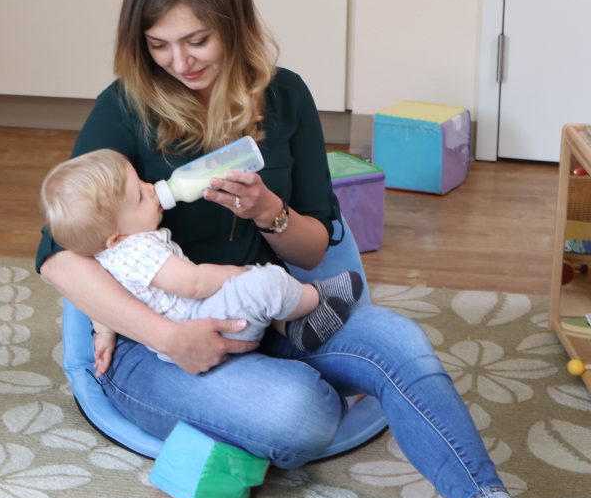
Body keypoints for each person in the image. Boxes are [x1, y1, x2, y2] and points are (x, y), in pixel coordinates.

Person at [34, 0, 575, 498]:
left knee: (398, 341)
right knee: (303, 413)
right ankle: (256, 399)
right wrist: (167, 336)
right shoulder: (124, 110)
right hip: (153, 350)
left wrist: (270, 212)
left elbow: (319, 243)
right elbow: (59, 257)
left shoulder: (285, 97)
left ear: (232, 22)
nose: (180, 60)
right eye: (159, 44)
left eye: (197, 39)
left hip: (265, 308)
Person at [40, 148, 363, 373]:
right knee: (267, 282)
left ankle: (288, 323)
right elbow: (192, 283)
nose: (151, 189)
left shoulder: (108, 255)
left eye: (141, 181)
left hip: (195, 324)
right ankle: (316, 301)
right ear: (117, 237)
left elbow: (102, 312)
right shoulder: (136, 250)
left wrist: (104, 334)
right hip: (202, 326)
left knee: (259, 291)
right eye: (139, 195)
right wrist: (238, 273)